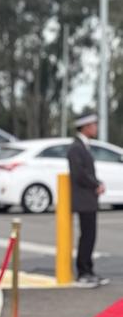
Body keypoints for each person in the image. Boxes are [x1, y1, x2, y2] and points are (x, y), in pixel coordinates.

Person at [67, 112, 109, 288]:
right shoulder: (76, 148)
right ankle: (83, 272)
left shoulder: (84, 146)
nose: (96, 128)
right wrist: (95, 184)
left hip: (88, 199)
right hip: (83, 199)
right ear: (85, 127)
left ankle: (89, 270)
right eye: (93, 125)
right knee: (87, 236)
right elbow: (79, 174)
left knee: (90, 236)